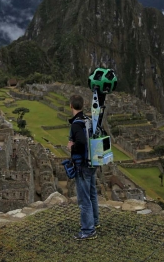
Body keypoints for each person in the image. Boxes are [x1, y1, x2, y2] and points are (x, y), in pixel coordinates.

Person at [67, 95, 100, 241]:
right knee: (92, 194)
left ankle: (88, 230)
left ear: (71, 106)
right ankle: (95, 222)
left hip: (82, 166)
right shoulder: (87, 120)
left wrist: (72, 145)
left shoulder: (76, 124)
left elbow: (80, 141)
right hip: (92, 162)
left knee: (84, 199)